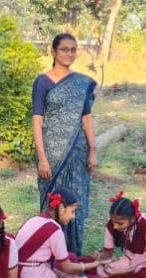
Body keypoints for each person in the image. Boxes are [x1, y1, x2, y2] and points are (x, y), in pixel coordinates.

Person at [33, 32, 98, 256]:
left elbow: (87, 118)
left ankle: (73, 255)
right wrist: (42, 158)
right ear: (53, 51)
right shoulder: (42, 82)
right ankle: (48, 254)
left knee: (74, 202)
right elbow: (37, 121)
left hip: (77, 152)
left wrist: (92, 150)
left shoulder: (81, 83)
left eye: (73, 50)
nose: (69, 54)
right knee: (52, 202)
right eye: (64, 49)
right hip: (51, 154)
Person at [15, 188, 111, 278]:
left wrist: (59, 274)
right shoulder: (55, 230)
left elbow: (33, 258)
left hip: (19, 272)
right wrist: (96, 264)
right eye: (72, 211)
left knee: (71, 257)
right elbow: (68, 268)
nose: (73, 216)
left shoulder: (34, 219)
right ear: (61, 208)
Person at [96, 192, 146, 278]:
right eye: (113, 222)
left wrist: (120, 272)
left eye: (120, 223)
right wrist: (100, 257)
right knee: (91, 265)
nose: (115, 226)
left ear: (132, 219)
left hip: (145, 265)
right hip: (126, 262)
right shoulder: (111, 224)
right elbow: (108, 253)